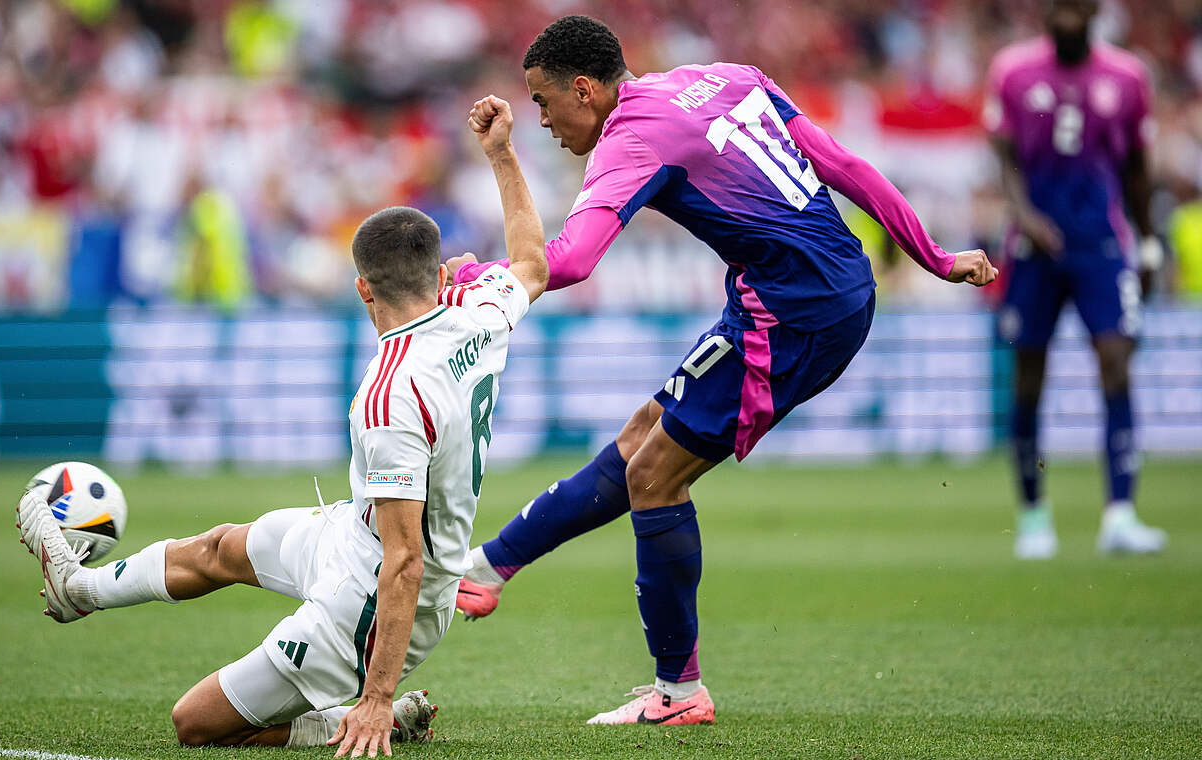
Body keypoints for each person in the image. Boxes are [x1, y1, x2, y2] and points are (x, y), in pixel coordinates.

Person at [448, 15, 997, 726]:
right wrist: (935, 256)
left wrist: (478, 275)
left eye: (545, 103)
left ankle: (679, 694)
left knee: (654, 477)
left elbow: (571, 261)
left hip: (794, 316)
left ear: (584, 89)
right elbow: (844, 166)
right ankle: (487, 569)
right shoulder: (726, 79)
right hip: (809, 291)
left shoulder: (631, 139)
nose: (543, 120)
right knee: (643, 434)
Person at [15, 108, 548, 756]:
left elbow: (405, 562)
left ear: (362, 291)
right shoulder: (480, 310)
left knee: (198, 723)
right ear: (440, 277)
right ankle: (80, 592)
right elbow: (531, 262)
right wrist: (501, 155)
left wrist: (377, 696)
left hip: (368, 608)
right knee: (221, 549)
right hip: (350, 535)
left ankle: (352, 716)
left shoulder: (388, 397)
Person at [987, 0, 1165, 559]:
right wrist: (1024, 217)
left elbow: (1137, 168)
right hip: (1033, 248)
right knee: (1028, 380)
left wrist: (1151, 242)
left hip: (1101, 244)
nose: (1064, 16)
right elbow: (1004, 157)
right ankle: (1034, 516)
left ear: (1092, 12)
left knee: (1116, 364)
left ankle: (1120, 514)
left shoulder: (1128, 76)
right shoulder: (1013, 71)